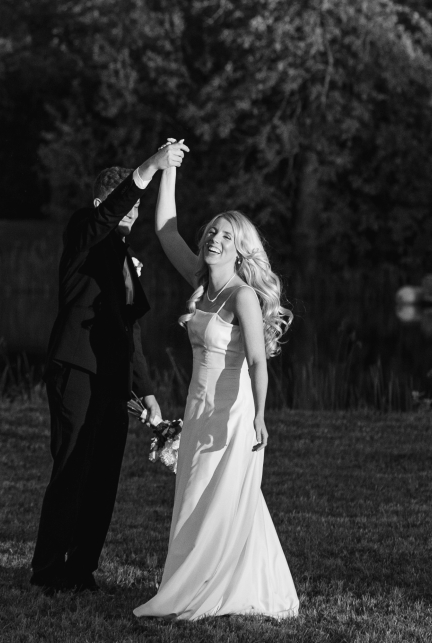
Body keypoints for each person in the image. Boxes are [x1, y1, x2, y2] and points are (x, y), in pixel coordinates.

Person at [133, 147, 299, 620]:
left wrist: (261, 417)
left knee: (219, 491)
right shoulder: (202, 281)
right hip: (198, 403)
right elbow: (166, 231)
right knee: (194, 492)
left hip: (232, 408)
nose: (214, 239)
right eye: (212, 232)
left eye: (226, 236)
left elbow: (255, 360)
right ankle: (197, 581)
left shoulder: (242, 296)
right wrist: (167, 171)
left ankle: (200, 590)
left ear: (240, 248)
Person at [31, 140, 183, 593]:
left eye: (138, 209)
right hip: (76, 369)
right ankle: (47, 570)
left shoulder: (125, 261)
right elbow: (105, 216)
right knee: (73, 467)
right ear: (104, 202)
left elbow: (128, 333)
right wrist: (151, 167)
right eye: (127, 206)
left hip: (114, 383)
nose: (132, 215)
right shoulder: (83, 230)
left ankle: (81, 567)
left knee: (103, 476)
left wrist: (149, 393)